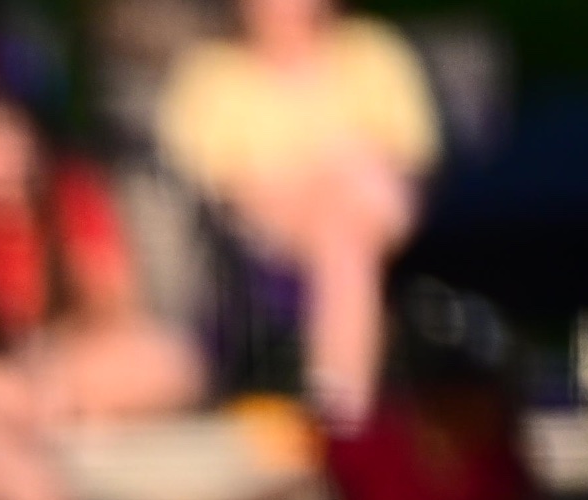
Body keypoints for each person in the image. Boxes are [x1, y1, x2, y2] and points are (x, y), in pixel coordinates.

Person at [151, 0, 435, 422]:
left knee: (347, 221)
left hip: (369, 207)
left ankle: (339, 411)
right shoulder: (211, 74)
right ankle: (345, 413)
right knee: (343, 240)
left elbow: (407, 155)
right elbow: (216, 180)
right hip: (263, 228)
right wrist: (319, 181)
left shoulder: (372, 53)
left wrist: (333, 177)